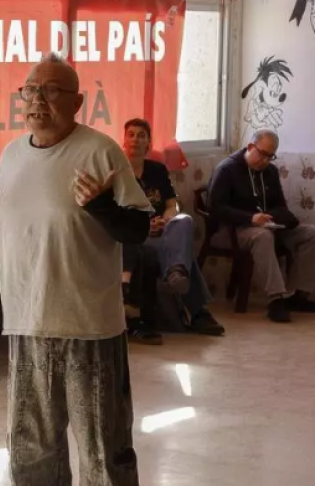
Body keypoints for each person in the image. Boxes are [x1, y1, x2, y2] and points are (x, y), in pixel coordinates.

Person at [0, 54, 148, 486]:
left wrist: (98, 206)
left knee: (102, 452)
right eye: (30, 91)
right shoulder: (12, 154)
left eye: (50, 91)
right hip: (27, 323)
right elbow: (4, 223)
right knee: (31, 449)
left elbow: (136, 229)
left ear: (77, 101)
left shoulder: (101, 151)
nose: (37, 100)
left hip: (88, 327)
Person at [121, 118, 224, 338]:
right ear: (124, 140)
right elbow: (114, 214)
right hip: (135, 235)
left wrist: (167, 220)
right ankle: (199, 312)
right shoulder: (116, 171)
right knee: (183, 254)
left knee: (184, 220)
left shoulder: (157, 169)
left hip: (163, 231)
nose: (136, 140)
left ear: (149, 142)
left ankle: (176, 272)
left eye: (141, 135)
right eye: (131, 135)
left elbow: (171, 205)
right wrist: (143, 225)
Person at [208, 129, 315, 322]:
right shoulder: (227, 169)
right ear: (250, 147)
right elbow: (216, 208)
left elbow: (281, 206)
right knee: (262, 236)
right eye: (262, 154)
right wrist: (251, 218)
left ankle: (299, 294)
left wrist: (271, 218)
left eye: (270, 156)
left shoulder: (270, 172)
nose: (266, 160)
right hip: (233, 230)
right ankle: (276, 299)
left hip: (269, 226)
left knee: (311, 233)